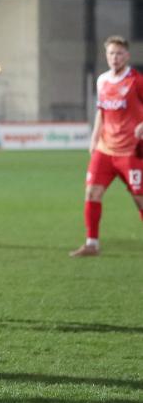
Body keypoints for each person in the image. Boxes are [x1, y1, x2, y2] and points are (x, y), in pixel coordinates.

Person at [71, 35, 143, 257]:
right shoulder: (102, 80)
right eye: (111, 53)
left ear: (127, 56)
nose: (115, 57)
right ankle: (92, 244)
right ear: (106, 55)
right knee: (92, 192)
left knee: (139, 199)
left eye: (119, 53)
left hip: (131, 151)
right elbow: (101, 111)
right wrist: (94, 139)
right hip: (104, 149)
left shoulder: (136, 81)